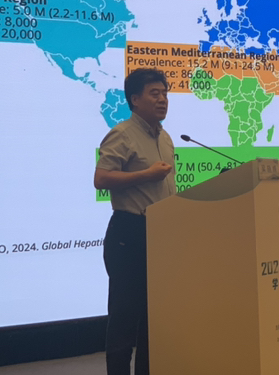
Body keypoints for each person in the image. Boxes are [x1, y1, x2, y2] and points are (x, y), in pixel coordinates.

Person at [94, 68, 176, 375]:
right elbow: (101, 178)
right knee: (124, 319)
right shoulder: (123, 133)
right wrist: (146, 175)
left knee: (154, 320)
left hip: (160, 234)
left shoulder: (166, 137)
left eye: (165, 93)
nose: (162, 99)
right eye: (155, 94)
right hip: (129, 233)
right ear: (135, 99)